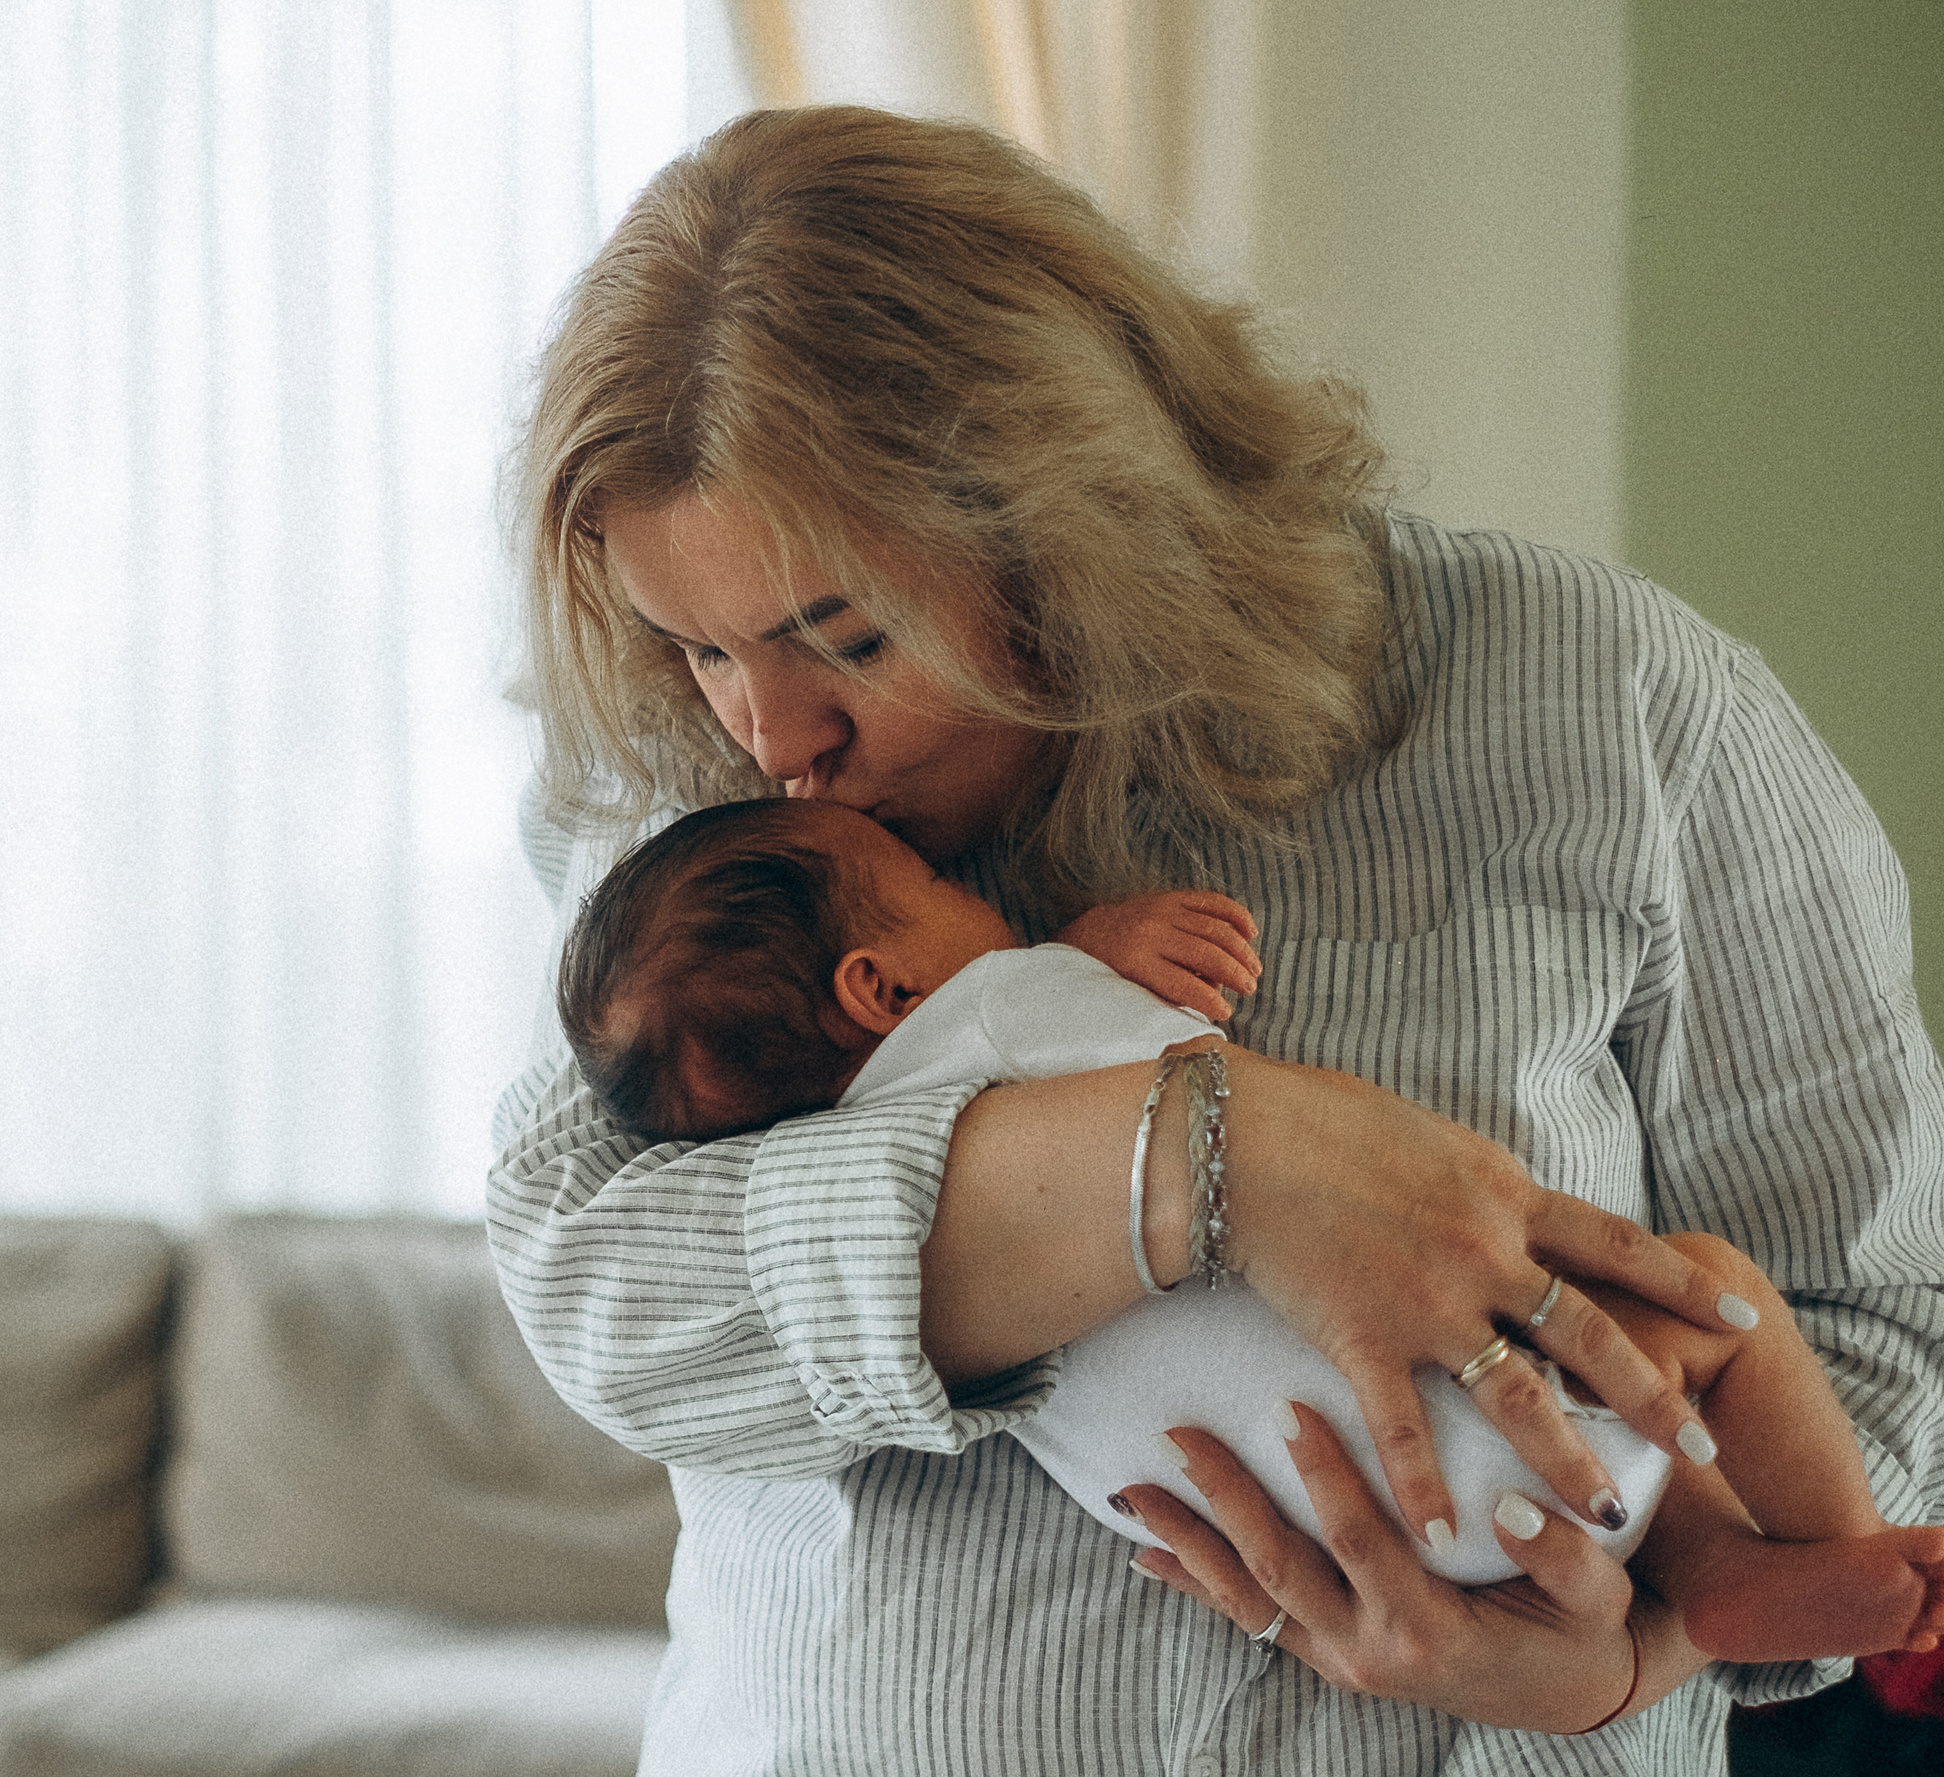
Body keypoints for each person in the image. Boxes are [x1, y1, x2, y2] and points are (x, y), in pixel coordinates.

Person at [489, 104, 1944, 1772]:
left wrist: (1639, 1645)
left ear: (1070, 515)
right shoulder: (692, 829)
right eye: (697, 651)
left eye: (845, 636)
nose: (771, 740)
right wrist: (1217, 1160)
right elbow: (602, 1285)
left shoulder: (1609, 705)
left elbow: (1891, 1311)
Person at [555, 793, 1944, 1663]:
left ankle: (1705, 1587)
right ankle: (1810, 1549)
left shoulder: (839, 1163)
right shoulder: (1008, 1003)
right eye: (936, 888)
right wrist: (1093, 945)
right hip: (1472, 1416)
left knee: (1610, 1463)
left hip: (1312, 1537)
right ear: (880, 983)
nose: (977, 901)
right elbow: (1084, 1033)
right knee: (1712, 1299)